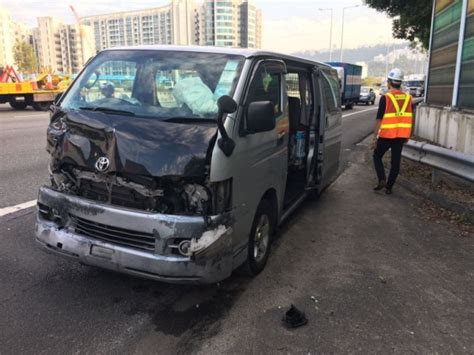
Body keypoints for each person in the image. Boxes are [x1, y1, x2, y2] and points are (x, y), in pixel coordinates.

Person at [372, 68, 413, 195]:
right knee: (395, 162)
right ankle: (389, 187)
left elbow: (379, 119)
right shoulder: (408, 98)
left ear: (389, 82)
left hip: (386, 135)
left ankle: (382, 179)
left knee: (377, 155)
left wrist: (374, 137)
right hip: (400, 135)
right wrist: (407, 135)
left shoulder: (386, 98)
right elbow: (410, 117)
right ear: (400, 82)